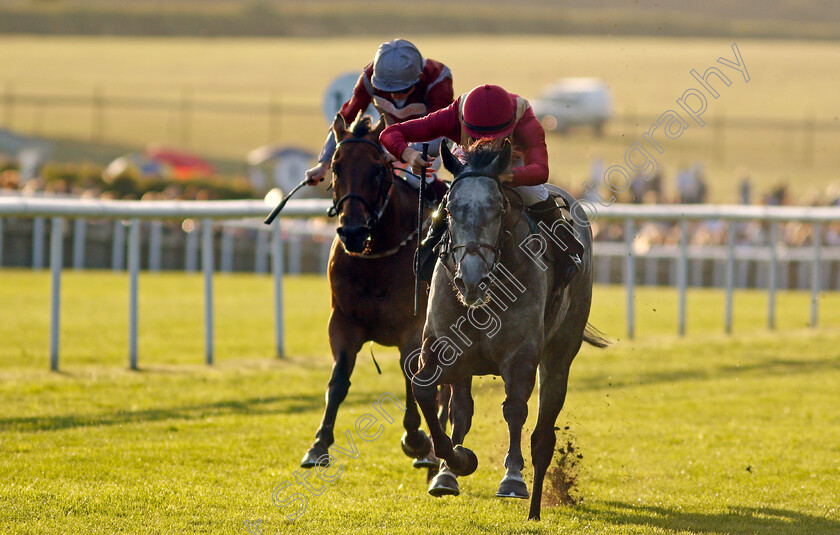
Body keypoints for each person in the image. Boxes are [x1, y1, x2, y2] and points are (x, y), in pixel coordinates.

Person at [379, 83, 584, 280]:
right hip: (470, 158)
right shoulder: (452, 115)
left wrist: (504, 177)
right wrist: (407, 154)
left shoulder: (524, 118)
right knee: (456, 196)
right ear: (464, 122)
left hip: (510, 158)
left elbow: (540, 171)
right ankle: (429, 250)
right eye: (480, 136)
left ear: (511, 125)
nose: (487, 142)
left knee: (534, 193)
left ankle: (565, 247)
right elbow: (390, 134)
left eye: (495, 136)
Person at [304, 39, 452, 201]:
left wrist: (401, 153)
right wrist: (324, 163)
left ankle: (448, 211)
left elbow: (437, 132)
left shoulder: (437, 77)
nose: (395, 96)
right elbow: (346, 117)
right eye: (386, 90)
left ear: (418, 78)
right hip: (394, 139)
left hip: (431, 140)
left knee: (415, 177)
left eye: (402, 90)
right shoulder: (369, 76)